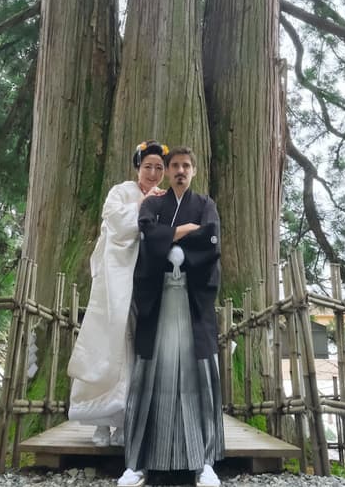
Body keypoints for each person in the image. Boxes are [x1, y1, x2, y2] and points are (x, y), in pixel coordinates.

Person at [119, 146, 224, 487]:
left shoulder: (205, 204)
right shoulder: (152, 203)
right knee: (148, 378)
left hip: (192, 300)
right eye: (175, 165)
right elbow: (147, 236)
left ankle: (204, 461)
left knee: (200, 380)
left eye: (186, 166)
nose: (180, 170)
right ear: (168, 170)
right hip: (159, 299)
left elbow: (210, 239)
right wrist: (180, 233)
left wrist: (169, 241)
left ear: (193, 171)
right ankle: (136, 463)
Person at [67, 140, 168, 446]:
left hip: (146, 282)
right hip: (115, 280)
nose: (153, 172)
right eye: (148, 166)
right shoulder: (120, 192)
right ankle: (99, 422)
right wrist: (144, 203)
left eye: (159, 168)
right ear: (138, 166)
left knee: (139, 349)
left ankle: (127, 421)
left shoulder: (165, 199)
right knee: (107, 344)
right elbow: (116, 224)